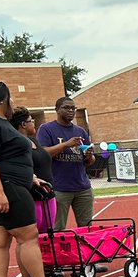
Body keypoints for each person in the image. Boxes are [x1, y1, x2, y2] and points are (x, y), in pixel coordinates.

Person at [0, 82, 73, 277]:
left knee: (0, 241)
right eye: (9, 99)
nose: (12, 103)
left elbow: (6, 157)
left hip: (9, 183)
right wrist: (0, 191)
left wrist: (30, 178)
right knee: (28, 236)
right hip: (5, 187)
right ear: (1, 100)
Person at [11, 108, 56, 277]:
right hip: (31, 196)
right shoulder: (17, 143)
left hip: (47, 195)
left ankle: (45, 272)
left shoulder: (34, 140)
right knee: (27, 239)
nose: (34, 123)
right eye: (31, 120)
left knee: (46, 236)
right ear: (23, 124)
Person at [36, 96, 97, 231]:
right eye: (66, 108)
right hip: (59, 188)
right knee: (57, 229)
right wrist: (66, 145)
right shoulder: (46, 129)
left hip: (83, 187)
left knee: (87, 228)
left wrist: (89, 155)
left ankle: (84, 252)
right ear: (57, 110)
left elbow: (90, 161)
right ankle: (58, 252)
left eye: (73, 108)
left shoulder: (80, 131)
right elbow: (43, 153)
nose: (71, 111)